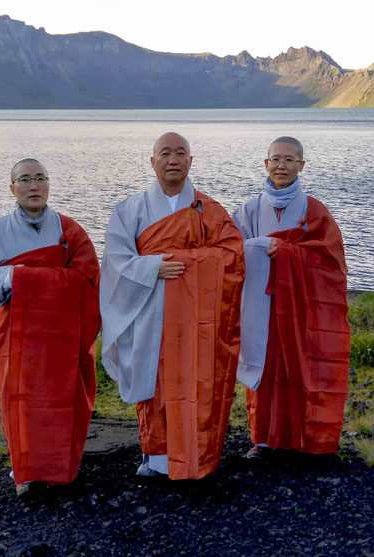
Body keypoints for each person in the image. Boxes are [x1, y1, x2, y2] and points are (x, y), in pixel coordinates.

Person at [100, 132, 245, 480]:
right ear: (153, 162)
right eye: (165, 153)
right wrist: (152, 268)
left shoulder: (209, 211)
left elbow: (233, 255)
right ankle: (156, 455)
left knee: (194, 381)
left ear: (191, 161)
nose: (173, 160)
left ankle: (193, 455)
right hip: (148, 311)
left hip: (197, 321)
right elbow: (116, 260)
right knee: (154, 380)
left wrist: (184, 263)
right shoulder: (130, 209)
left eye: (181, 153)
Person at [0, 158, 100, 498]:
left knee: (64, 398)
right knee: (21, 401)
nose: (33, 185)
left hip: (64, 335)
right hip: (18, 333)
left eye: (40, 178)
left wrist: (30, 276)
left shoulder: (70, 231)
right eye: (25, 179)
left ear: (49, 185)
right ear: (12, 188)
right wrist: (14, 276)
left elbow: (89, 277)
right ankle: (26, 471)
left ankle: (60, 469)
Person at [231, 137, 350, 459]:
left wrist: (286, 252)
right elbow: (228, 251)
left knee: (300, 366)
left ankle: (304, 437)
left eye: (289, 160)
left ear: (301, 165)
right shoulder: (248, 209)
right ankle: (264, 440)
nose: (281, 166)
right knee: (265, 368)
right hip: (260, 304)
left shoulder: (314, 210)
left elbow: (332, 260)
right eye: (275, 159)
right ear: (265, 163)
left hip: (301, 307)